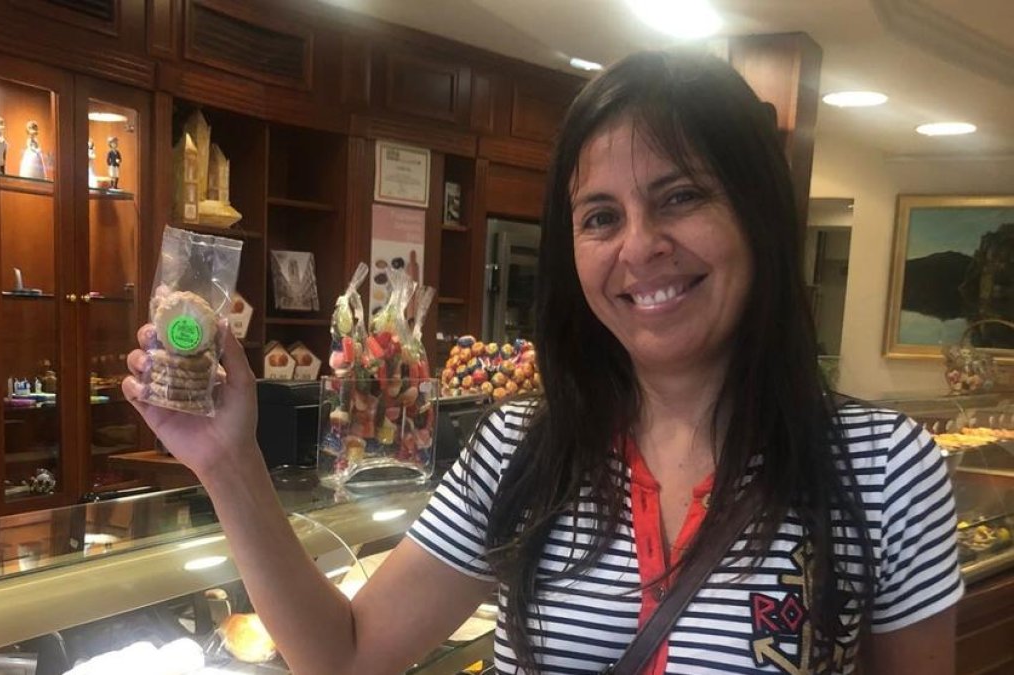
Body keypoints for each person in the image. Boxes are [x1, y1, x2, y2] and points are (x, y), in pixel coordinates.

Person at [123, 50, 961, 674]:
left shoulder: (883, 468)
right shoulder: (520, 448)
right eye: (601, 216)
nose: (641, 247)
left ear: (759, 215)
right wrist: (228, 459)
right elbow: (343, 656)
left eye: (680, 196)